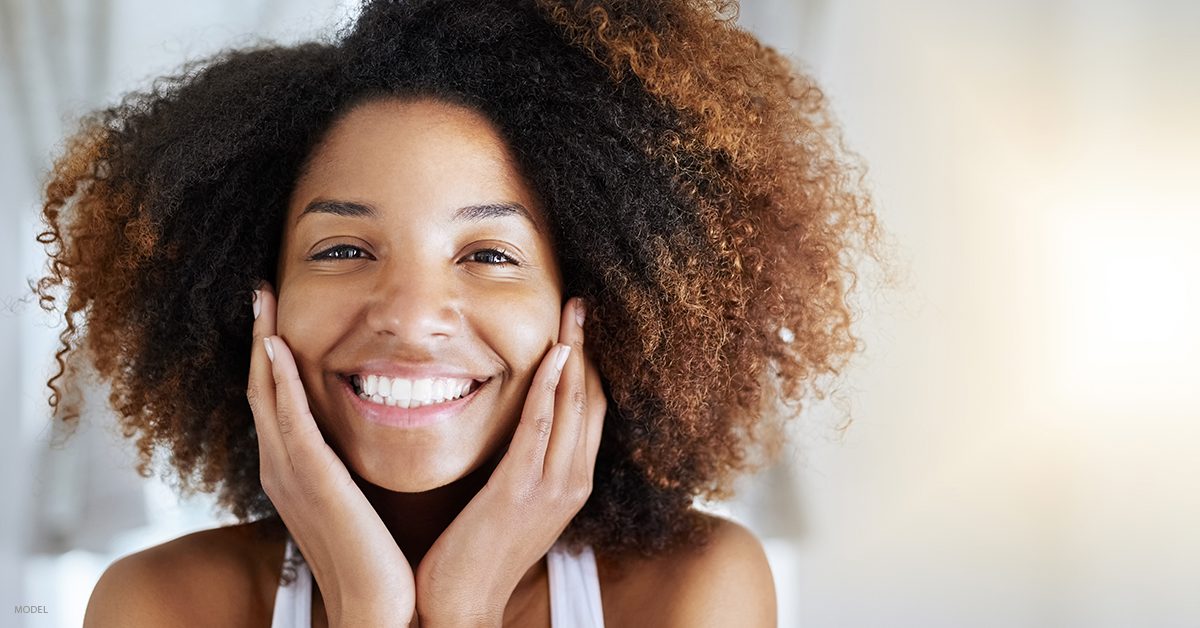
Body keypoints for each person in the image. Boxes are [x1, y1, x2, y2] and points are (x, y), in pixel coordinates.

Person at [37, 0, 884, 625]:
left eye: (488, 256)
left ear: (593, 307)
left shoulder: (693, 591)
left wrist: (465, 605)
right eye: (342, 250)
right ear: (250, 299)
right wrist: (368, 608)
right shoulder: (160, 605)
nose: (410, 317)